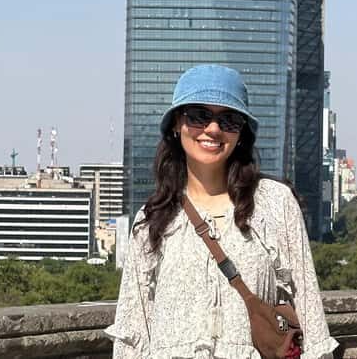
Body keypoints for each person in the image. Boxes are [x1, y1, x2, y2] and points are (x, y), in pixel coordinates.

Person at [106, 64, 338, 358]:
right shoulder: (152, 219)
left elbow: (309, 307)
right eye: (199, 116)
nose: (213, 129)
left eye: (228, 120)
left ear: (241, 133)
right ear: (177, 124)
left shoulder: (274, 202)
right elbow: (132, 329)